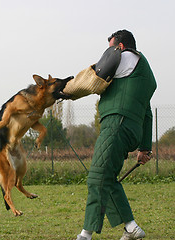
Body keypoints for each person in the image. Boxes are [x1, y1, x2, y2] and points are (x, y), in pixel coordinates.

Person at [76, 30, 157, 240]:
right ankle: (130, 227)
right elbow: (147, 113)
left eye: (112, 47)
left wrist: (62, 91)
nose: (109, 52)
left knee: (97, 176)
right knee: (107, 176)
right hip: (129, 128)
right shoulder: (142, 74)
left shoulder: (127, 56)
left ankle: (85, 234)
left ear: (120, 47)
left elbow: (94, 77)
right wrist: (145, 147)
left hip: (116, 123)